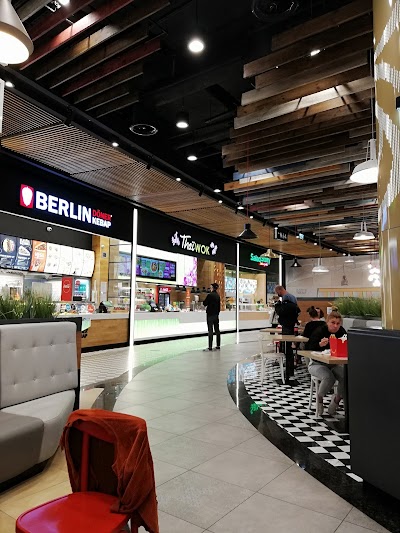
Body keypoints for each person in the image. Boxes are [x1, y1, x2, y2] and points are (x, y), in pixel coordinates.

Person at [307, 311, 347, 416]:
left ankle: (336, 400)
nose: (335, 326)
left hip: (334, 364)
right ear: (327, 322)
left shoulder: (342, 332)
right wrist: (319, 344)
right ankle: (319, 399)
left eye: (338, 323)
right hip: (316, 363)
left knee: (345, 376)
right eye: (333, 323)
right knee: (329, 377)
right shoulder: (320, 331)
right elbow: (308, 347)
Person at [274, 297, 300, 380]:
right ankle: (290, 371)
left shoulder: (282, 306)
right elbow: (298, 312)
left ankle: (288, 372)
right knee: (289, 350)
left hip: (285, 328)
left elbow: (278, 312)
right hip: (291, 327)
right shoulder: (294, 306)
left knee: (286, 349)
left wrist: (277, 304)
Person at [203, 282, 221, 351]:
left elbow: (205, 303)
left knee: (210, 330)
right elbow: (219, 307)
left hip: (210, 315)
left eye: (210, 287)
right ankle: (218, 345)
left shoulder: (210, 295)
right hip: (216, 315)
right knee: (217, 330)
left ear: (212, 288)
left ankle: (210, 347)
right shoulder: (218, 296)